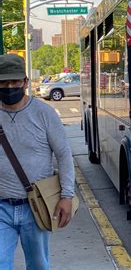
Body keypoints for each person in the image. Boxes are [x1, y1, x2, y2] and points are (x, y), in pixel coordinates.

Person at [0, 54, 75, 270]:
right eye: (4, 82)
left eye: (14, 81)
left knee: (39, 265)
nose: (10, 86)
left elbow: (64, 155)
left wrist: (67, 196)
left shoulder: (44, 113)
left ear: (25, 81)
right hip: (2, 206)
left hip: (36, 207)